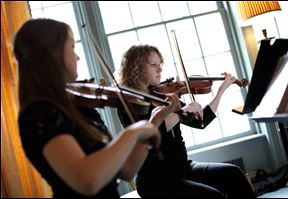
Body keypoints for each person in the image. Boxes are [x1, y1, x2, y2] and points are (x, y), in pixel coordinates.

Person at [13, 19, 180, 198]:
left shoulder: (80, 107)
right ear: (52, 54)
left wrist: (154, 122)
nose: (78, 56)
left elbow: (127, 170)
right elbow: (87, 181)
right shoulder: (40, 113)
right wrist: (133, 132)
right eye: (72, 46)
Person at [116, 44, 256, 198]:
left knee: (233, 174)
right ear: (137, 68)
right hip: (156, 179)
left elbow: (201, 122)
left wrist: (221, 91)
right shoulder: (130, 104)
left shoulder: (163, 96)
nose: (160, 70)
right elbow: (151, 132)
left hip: (183, 168)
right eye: (153, 65)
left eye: (160, 64)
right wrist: (182, 112)